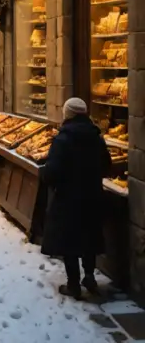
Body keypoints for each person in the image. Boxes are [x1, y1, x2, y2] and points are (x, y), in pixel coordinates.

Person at [41, 98, 112, 299]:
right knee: (89, 237)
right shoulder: (96, 137)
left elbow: (52, 171)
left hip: (68, 198)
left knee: (69, 241)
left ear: (68, 114)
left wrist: (47, 177)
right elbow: (107, 165)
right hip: (92, 196)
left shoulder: (63, 139)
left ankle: (73, 284)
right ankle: (89, 276)